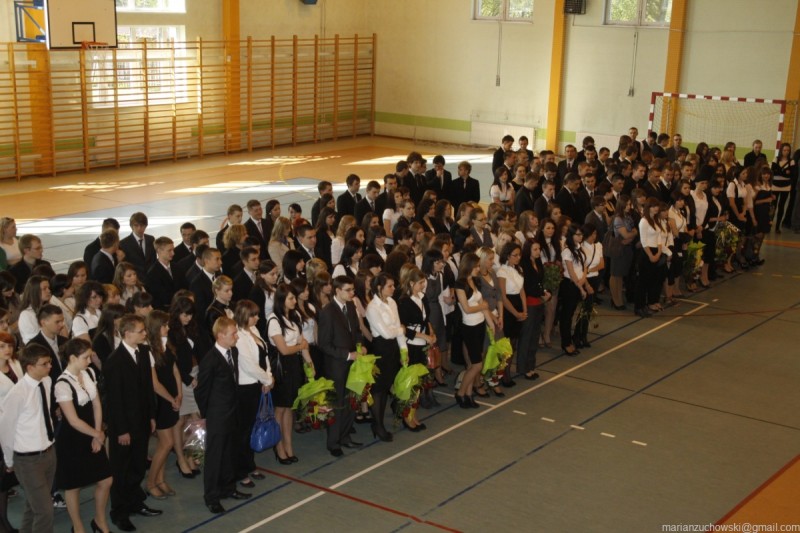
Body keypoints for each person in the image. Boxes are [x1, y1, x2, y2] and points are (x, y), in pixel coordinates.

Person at [103, 314, 161, 531]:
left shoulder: (143, 352)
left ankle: (135, 502)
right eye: (141, 331)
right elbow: (114, 400)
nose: (145, 333)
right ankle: (119, 512)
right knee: (121, 469)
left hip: (142, 421)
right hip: (124, 426)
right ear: (127, 334)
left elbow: (147, 388)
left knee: (137, 465)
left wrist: (152, 416)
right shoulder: (114, 361)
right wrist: (121, 430)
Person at [54, 338, 113, 533]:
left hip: (93, 433)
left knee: (106, 480)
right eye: (86, 357)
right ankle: (78, 526)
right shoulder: (62, 384)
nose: (90, 361)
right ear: (72, 358)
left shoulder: (89, 373)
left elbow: (96, 405)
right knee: (74, 486)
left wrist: (97, 434)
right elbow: (73, 420)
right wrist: (97, 434)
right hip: (73, 439)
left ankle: (99, 519)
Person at [195, 317, 252, 514]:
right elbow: (201, 391)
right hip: (217, 415)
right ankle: (211, 496)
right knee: (215, 457)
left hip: (232, 411)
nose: (237, 337)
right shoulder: (210, 360)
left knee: (229, 453)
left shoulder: (232, 352)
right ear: (220, 335)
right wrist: (208, 415)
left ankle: (229, 487)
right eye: (233, 334)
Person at [0, 343, 57, 532]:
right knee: (45, 511)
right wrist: (9, 461)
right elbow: (6, 430)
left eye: (49, 362)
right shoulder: (17, 394)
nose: (50, 366)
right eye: (45, 364)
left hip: (48, 453)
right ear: (30, 367)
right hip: (27, 460)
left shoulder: (46, 382)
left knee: (34, 506)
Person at [317, 276, 364, 457]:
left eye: (353, 290)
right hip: (336, 365)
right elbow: (324, 344)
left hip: (353, 363)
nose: (352, 293)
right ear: (337, 291)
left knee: (351, 401)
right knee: (336, 405)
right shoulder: (327, 312)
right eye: (348, 290)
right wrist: (347, 355)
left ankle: (345, 436)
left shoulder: (350, 306)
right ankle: (333, 442)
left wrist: (360, 346)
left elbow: (356, 331)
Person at [234, 300, 273, 484]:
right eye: (253, 315)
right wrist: (267, 379)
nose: (257, 318)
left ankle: (249, 464)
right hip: (245, 387)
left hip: (258, 384)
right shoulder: (239, 335)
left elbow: (265, 355)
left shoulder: (254, 330)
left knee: (252, 428)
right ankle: (240, 470)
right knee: (243, 431)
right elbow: (248, 364)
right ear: (244, 316)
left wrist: (268, 376)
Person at [144, 311, 182, 502]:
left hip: (172, 398)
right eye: (164, 325)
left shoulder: (166, 344)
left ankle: (160, 479)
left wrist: (179, 393)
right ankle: (151, 482)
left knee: (165, 444)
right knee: (166, 443)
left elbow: (175, 370)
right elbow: (154, 383)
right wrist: (170, 399)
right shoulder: (148, 351)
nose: (168, 328)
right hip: (160, 402)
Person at [166, 297, 201, 478]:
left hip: (194, 374)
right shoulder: (171, 332)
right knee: (181, 421)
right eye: (184, 314)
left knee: (195, 420)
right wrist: (187, 379)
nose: (188, 318)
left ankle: (192, 455)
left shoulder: (190, 327)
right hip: (181, 379)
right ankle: (181, 459)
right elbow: (173, 361)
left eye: (190, 314)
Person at [454, 253, 493, 408]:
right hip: (469, 327)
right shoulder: (460, 284)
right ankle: (460, 393)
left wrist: (491, 323)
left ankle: (469, 394)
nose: (478, 268)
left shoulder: (475, 281)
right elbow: (467, 309)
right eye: (476, 266)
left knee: (472, 364)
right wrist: (482, 306)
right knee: (477, 365)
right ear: (469, 266)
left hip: (480, 324)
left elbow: (483, 305)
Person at [397, 266, 434, 426]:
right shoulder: (404, 301)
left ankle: (413, 413)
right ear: (411, 283)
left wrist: (432, 333)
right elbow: (404, 328)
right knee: (410, 382)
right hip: (411, 344)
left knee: (418, 381)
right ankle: (407, 416)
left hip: (423, 343)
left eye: (423, 282)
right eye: (420, 283)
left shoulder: (423, 297)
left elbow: (426, 320)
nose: (423, 285)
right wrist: (424, 336)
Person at [0, 332, 22, 533]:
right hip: (2, 428)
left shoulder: (15, 364)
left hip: (18, 426)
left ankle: (4, 521)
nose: (7, 350)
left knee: (6, 483)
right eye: (1, 346)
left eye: (9, 346)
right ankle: (3, 523)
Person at [118, 212, 156, 279]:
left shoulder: (151, 239)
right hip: (135, 280)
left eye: (142, 225)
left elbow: (153, 260)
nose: (139, 228)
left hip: (152, 277)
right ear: (131, 226)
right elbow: (125, 266)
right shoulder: (124, 243)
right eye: (136, 225)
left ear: (146, 226)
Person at [146, 236, 178, 311]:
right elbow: (159, 298)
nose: (173, 253)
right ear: (159, 251)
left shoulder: (176, 267)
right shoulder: (152, 273)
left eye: (173, 250)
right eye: (169, 250)